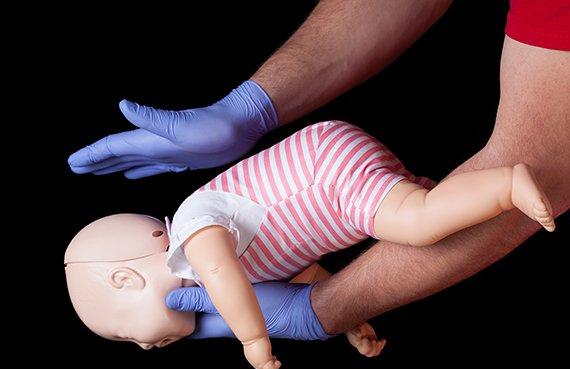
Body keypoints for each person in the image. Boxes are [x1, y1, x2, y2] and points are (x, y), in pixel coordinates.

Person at [68, 0, 570, 340]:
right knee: (432, 210)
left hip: (327, 175)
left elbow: (551, 158)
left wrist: (256, 338)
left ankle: (506, 185)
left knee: (422, 220)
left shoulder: (195, 244)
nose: (139, 347)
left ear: (124, 279)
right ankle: (488, 188)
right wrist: (252, 105)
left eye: (121, 332)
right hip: (331, 169)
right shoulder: (224, 256)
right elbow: (301, 272)